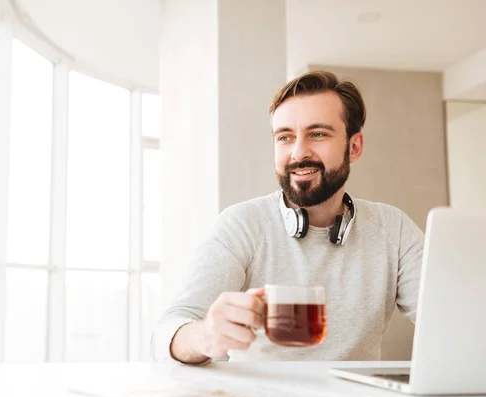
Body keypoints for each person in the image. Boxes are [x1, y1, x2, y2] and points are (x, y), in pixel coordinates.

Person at [151, 70, 424, 364]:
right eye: (285, 137)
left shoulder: (392, 228)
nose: (298, 153)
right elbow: (166, 335)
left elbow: (450, 318)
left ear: (354, 146)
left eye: (317, 134)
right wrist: (205, 335)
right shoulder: (242, 224)